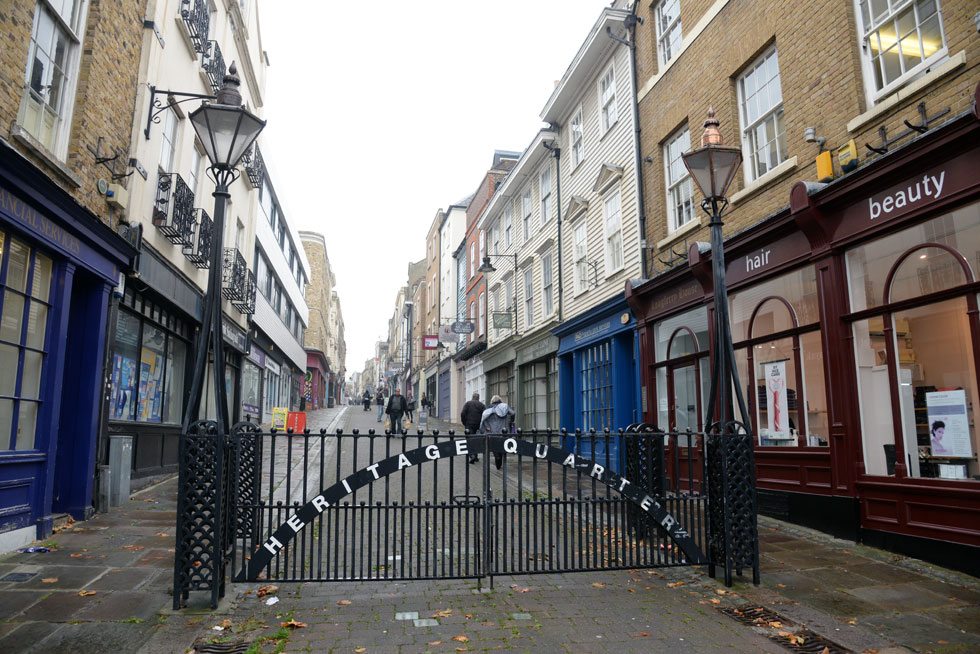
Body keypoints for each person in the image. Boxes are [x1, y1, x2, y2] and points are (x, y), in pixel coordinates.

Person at [480, 395, 516, 469]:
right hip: (504, 430)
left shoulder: (489, 409)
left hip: (493, 431)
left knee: (495, 446)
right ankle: (500, 457)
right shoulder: (505, 407)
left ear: (492, 401)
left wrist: (487, 427)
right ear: (500, 400)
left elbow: (484, 420)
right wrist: (511, 420)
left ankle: (498, 459)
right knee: (503, 445)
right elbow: (512, 413)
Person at [460, 392, 486, 463]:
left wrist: (464, 422)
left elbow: (462, 413)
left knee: (469, 440)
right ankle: (475, 456)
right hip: (478, 425)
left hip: (469, 425)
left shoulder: (468, 404)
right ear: (478, 398)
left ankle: (472, 455)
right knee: (476, 440)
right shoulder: (481, 405)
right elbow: (485, 415)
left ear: (472, 397)